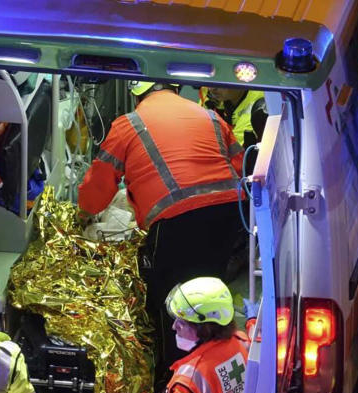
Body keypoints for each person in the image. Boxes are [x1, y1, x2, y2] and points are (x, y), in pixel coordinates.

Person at [78, 80, 248, 377]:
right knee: (208, 286)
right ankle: (217, 364)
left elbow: (98, 185)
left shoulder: (128, 124)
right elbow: (241, 164)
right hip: (227, 213)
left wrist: (83, 214)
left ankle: (174, 378)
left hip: (176, 220)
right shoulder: (209, 116)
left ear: (138, 95)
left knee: (168, 299)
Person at [200, 86, 268, 151]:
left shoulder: (255, 108)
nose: (212, 89)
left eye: (223, 80)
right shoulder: (209, 91)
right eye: (214, 79)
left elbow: (231, 150)